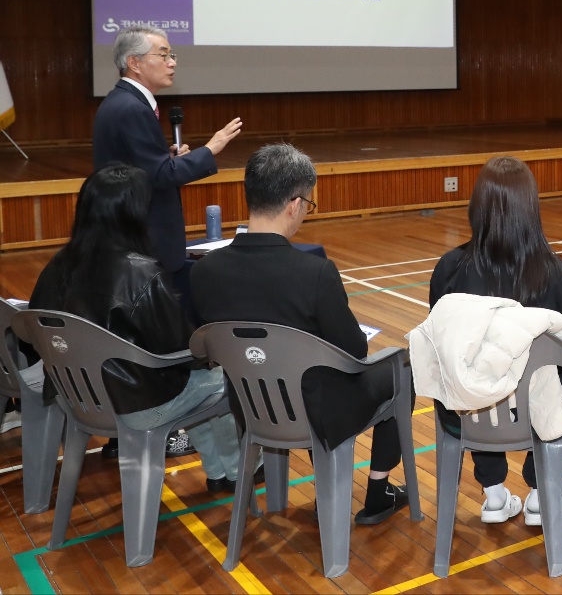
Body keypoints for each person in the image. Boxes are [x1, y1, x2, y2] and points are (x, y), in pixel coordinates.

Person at [191, 144, 411, 526]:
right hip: (315, 411)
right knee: (401, 368)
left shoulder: (204, 271)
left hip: (249, 406)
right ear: (294, 204)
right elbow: (354, 350)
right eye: (308, 204)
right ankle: (379, 491)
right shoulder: (315, 273)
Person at [26, 164, 242, 492]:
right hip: (136, 404)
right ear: (133, 214)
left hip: (77, 398)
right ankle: (240, 470)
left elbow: (33, 332)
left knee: (195, 380)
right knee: (224, 377)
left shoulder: (56, 266)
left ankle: (219, 472)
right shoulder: (141, 274)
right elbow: (184, 352)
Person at [428, 157, 562, 525]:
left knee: (475, 376)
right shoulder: (561, 276)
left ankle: (494, 494)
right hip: (536, 410)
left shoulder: (449, 269)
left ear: (476, 206)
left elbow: (442, 339)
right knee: (560, 381)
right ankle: (540, 493)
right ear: (531, 208)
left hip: (470, 412)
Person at [92, 27, 243, 287]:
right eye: (163, 55)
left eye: (172, 55)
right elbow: (159, 176)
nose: (172, 62)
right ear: (134, 63)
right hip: (141, 237)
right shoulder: (132, 108)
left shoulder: (122, 101)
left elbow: (140, 166)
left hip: (127, 232)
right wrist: (210, 148)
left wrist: (167, 157)